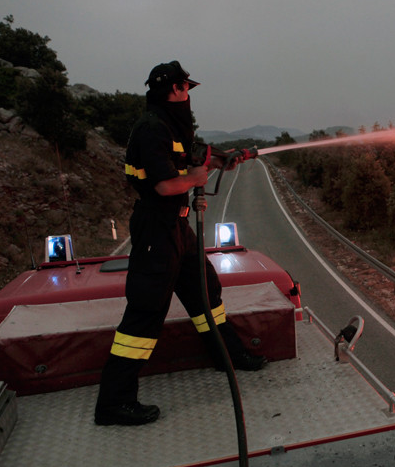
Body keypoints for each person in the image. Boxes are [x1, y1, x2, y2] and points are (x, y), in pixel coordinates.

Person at [94, 60, 266, 427]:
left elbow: (190, 156)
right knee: (146, 310)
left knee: (205, 292)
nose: (188, 96)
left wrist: (223, 160)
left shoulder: (169, 124)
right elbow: (166, 184)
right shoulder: (151, 129)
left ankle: (227, 355)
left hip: (176, 227)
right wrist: (196, 178)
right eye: (186, 88)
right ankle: (114, 402)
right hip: (157, 230)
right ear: (174, 88)